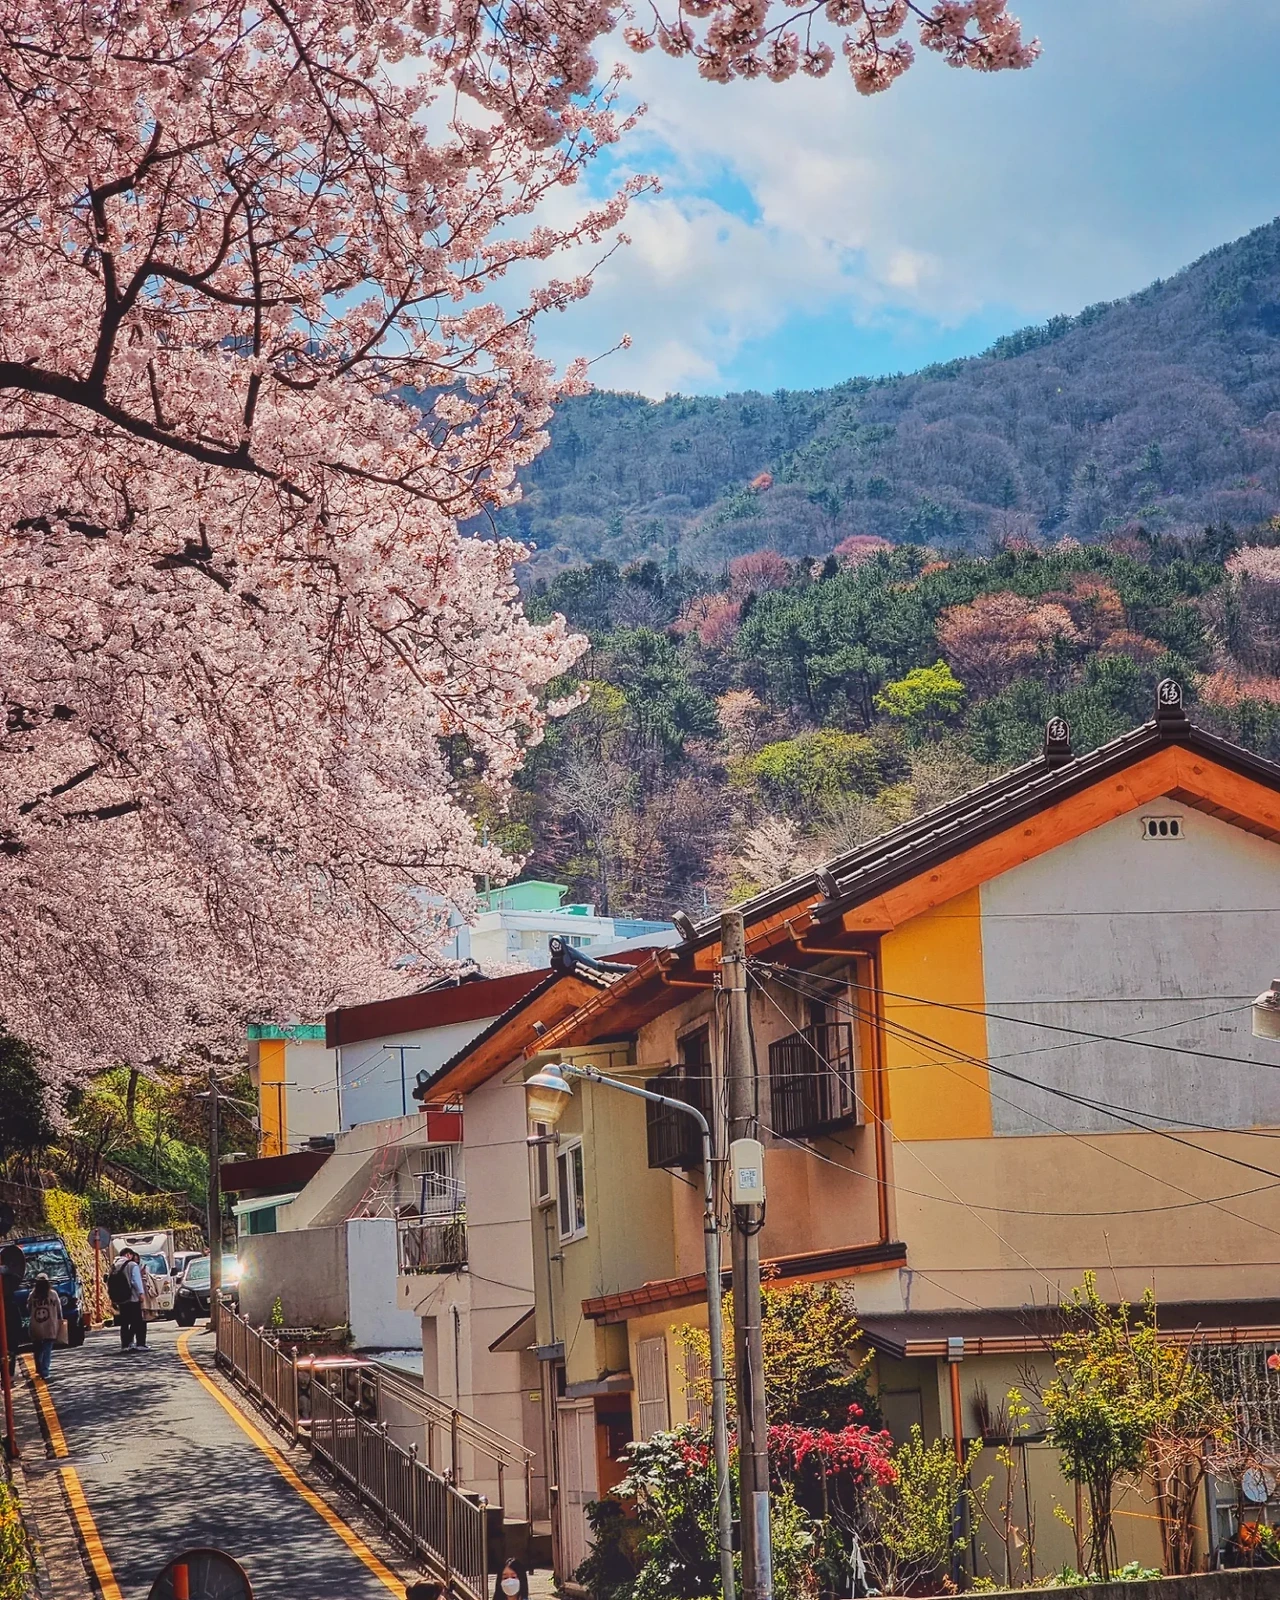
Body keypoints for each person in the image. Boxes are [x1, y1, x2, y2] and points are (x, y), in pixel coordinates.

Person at [26, 1273, 63, 1379]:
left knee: (37, 1349)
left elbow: (28, 1308)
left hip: (36, 1326)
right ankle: (45, 1371)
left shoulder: (33, 1295)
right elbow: (59, 1309)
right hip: (50, 1326)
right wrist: (60, 1320)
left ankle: (39, 1368)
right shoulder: (53, 1294)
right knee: (47, 1350)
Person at [116, 1248, 148, 1352]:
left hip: (121, 1299)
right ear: (128, 1255)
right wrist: (141, 1293)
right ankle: (140, 1343)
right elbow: (135, 1280)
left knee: (124, 1323)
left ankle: (125, 1345)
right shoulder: (132, 1265)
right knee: (138, 1321)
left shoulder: (114, 1265)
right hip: (132, 1297)